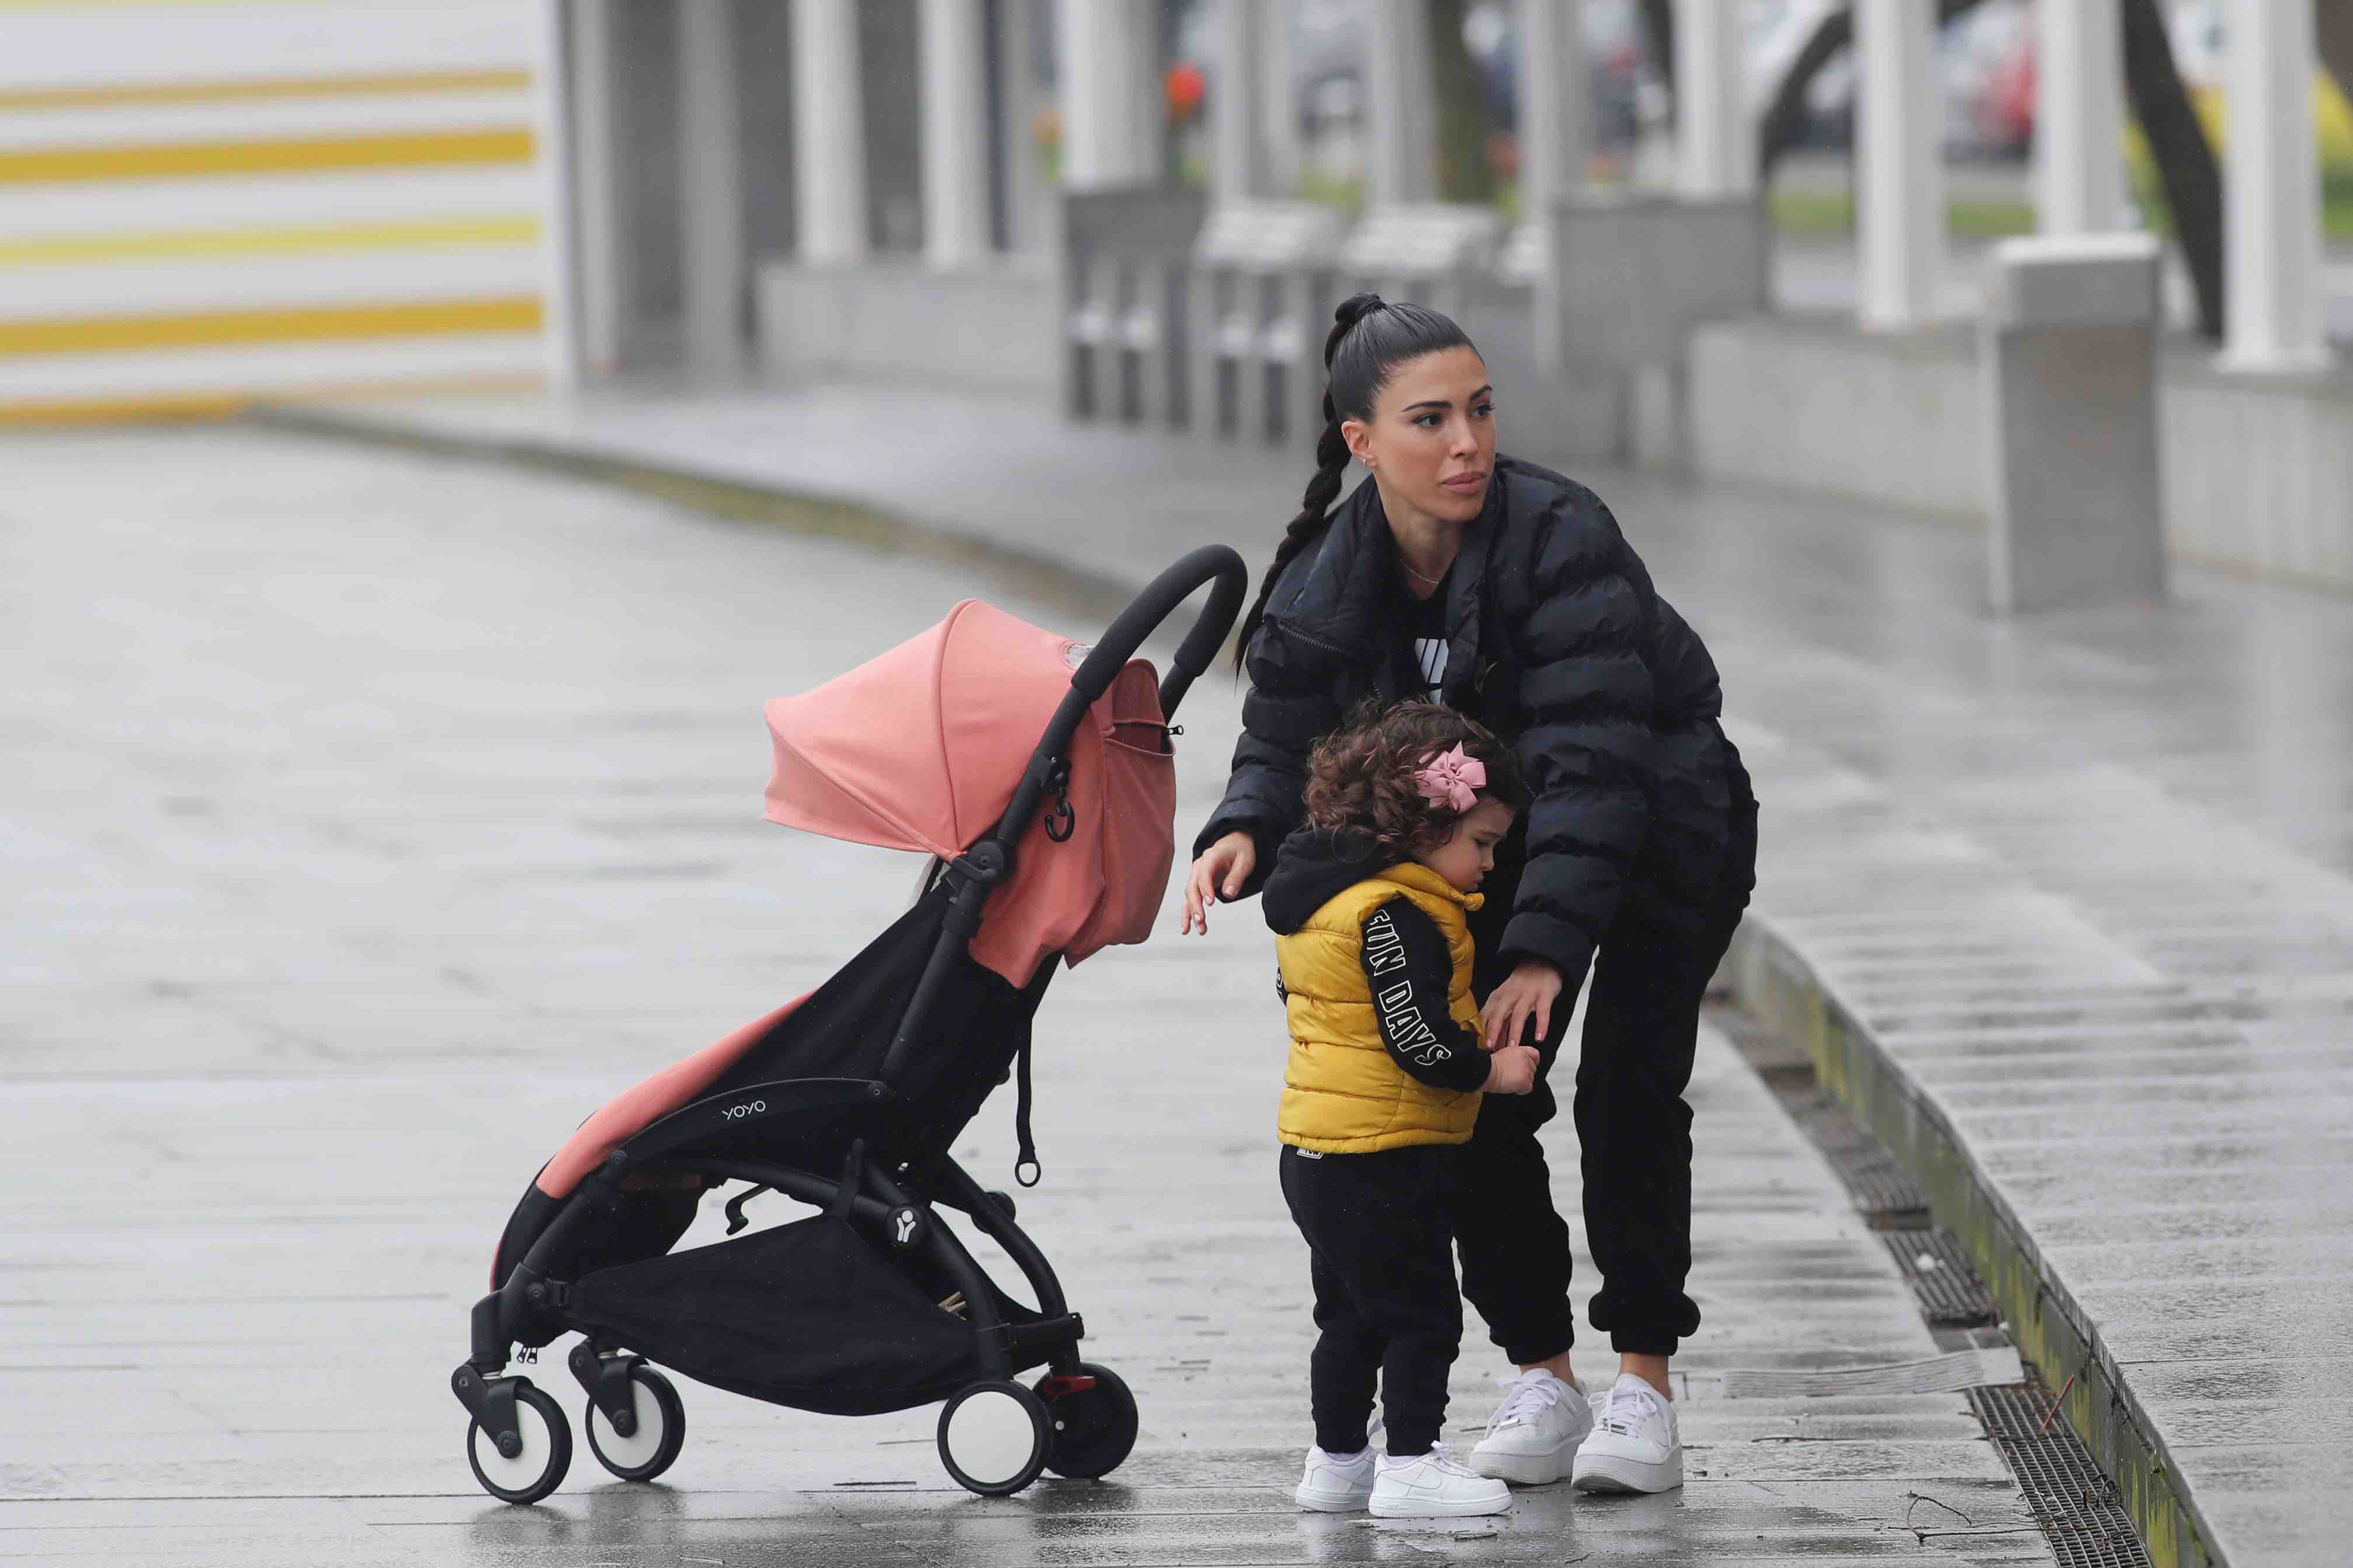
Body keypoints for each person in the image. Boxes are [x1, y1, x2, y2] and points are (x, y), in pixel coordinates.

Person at [1182, 294, 1758, 1495]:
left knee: (1626, 1090)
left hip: (1659, 817)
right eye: (1430, 419)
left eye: (1481, 412)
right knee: (1477, 1090)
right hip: (1481, 844)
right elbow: (1283, 733)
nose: (1466, 444)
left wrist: (1542, 946)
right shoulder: (1327, 577)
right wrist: (1244, 825)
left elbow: (1594, 758)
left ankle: (1644, 1383)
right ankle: (1542, 1373)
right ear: (1359, 441)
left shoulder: (1560, 535)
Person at [1259, 702, 1533, 1518]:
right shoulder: (1395, 912)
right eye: (1481, 842)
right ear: (1423, 823)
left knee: (1350, 1315)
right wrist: (1495, 1067)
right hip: (1378, 1153)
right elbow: (1416, 1040)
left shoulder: (1320, 899)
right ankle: (1412, 1463)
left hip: (1316, 1147)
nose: (1488, 864)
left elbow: (1319, 1003)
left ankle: (1338, 1461)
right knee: (1422, 1316)